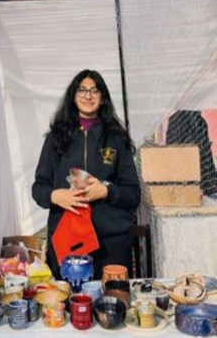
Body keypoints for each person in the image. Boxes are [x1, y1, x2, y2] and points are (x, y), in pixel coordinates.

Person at [32, 70, 141, 279]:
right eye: (82, 90)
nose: (88, 96)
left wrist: (106, 192)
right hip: (68, 240)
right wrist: (56, 196)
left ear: (103, 98)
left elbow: (134, 194)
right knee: (69, 299)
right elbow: (39, 188)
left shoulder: (116, 139)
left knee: (112, 298)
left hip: (111, 245)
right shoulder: (55, 139)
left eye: (94, 90)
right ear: (73, 97)